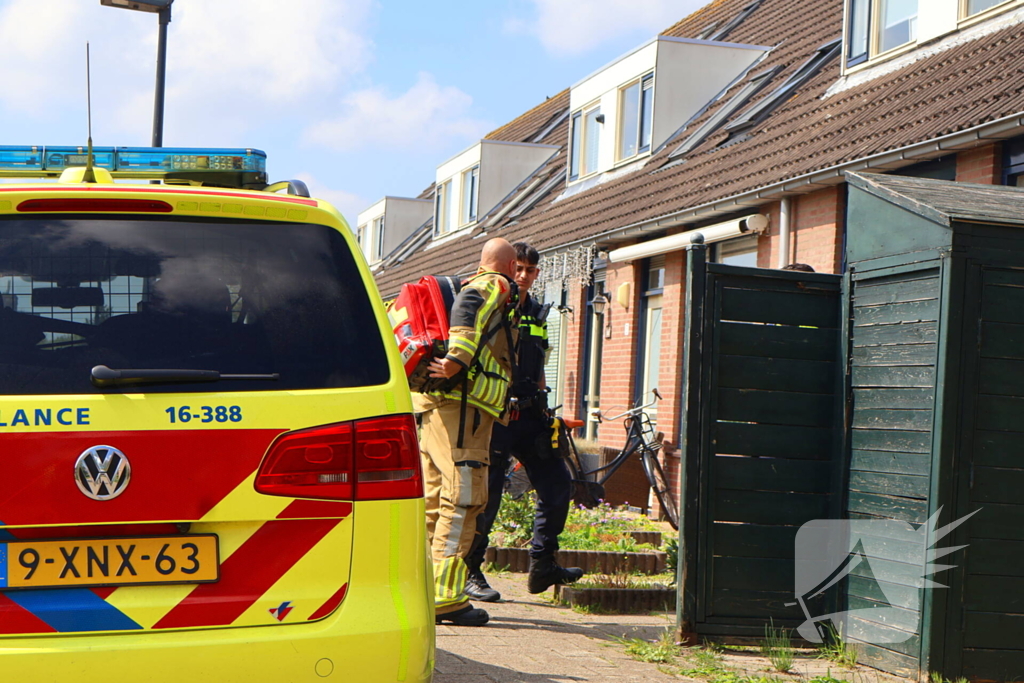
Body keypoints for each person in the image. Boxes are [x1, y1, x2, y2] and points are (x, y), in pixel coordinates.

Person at [465, 242, 583, 602]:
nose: (524, 276)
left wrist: (546, 405)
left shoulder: (536, 310)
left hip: (531, 412)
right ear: (508, 267)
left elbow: (538, 359)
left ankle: (542, 565)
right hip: (497, 413)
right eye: (520, 268)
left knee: (558, 482)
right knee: (489, 496)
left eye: (531, 270)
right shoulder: (492, 301)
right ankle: (470, 571)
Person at [416, 237, 519, 627]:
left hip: (434, 409)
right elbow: (473, 302)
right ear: (508, 266)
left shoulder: (461, 283)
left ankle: (425, 587)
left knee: (434, 499)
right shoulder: (493, 282)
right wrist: (457, 358)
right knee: (463, 500)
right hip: (465, 411)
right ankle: (445, 597)